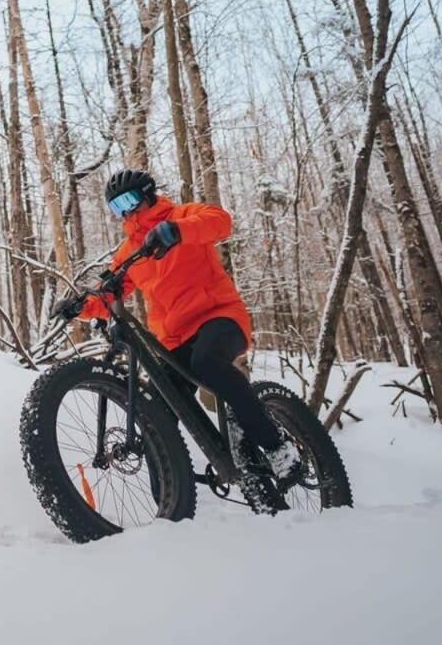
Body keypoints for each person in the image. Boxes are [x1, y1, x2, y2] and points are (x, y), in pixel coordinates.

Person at [53, 168, 301, 481]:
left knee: (207, 361)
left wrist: (177, 230)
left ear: (147, 193)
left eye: (129, 200)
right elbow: (111, 291)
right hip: (174, 341)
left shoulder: (184, 215)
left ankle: (277, 446)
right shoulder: (129, 252)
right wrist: (80, 307)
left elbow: (220, 221)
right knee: (158, 407)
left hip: (220, 317)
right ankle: (171, 493)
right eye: (117, 207)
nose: (126, 211)